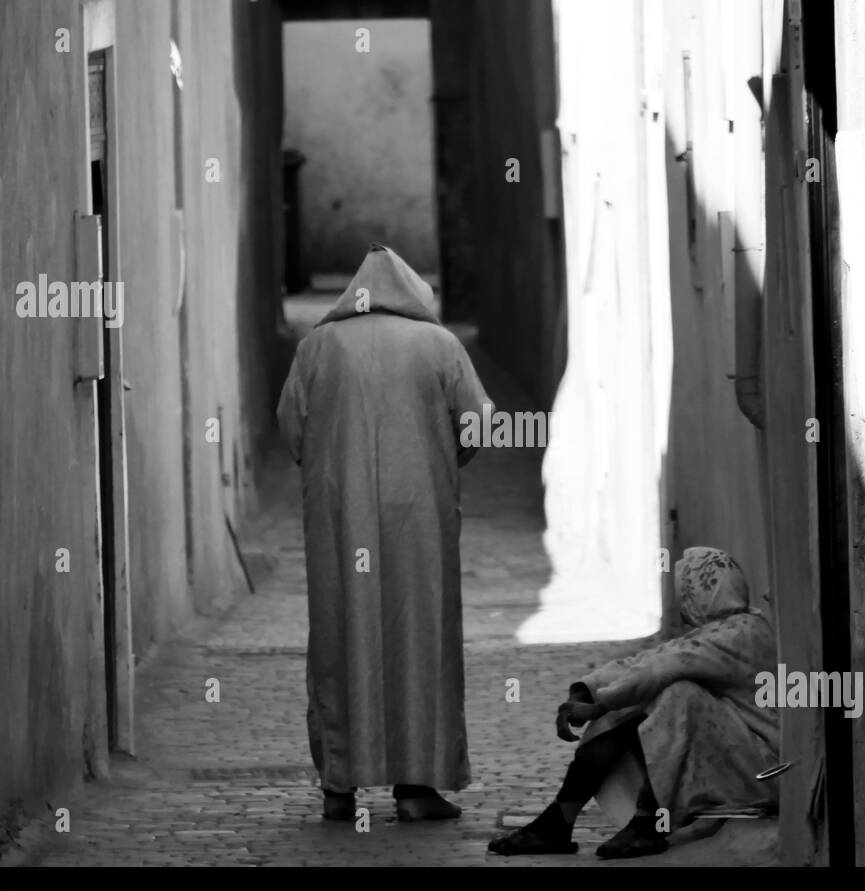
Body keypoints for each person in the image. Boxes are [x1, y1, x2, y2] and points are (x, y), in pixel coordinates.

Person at [276, 242, 490, 822]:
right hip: (419, 523)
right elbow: (476, 424)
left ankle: (339, 787)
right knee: (419, 640)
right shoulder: (439, 345)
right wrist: (440, 462)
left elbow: (291, 426)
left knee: (341, 639)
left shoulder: (318, 345)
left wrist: (331, 465)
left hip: (339, 524)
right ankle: (416, 788)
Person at [488, 547, 780, 858]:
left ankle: (647, 824)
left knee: (679, 696)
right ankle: (560, 819)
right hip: (743, 764)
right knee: (635, 698)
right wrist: (587, 692)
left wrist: (600, 704)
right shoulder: (726, 630)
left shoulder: (742, 634)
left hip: (764, 774)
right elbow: (650, 661)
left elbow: (660, 668)